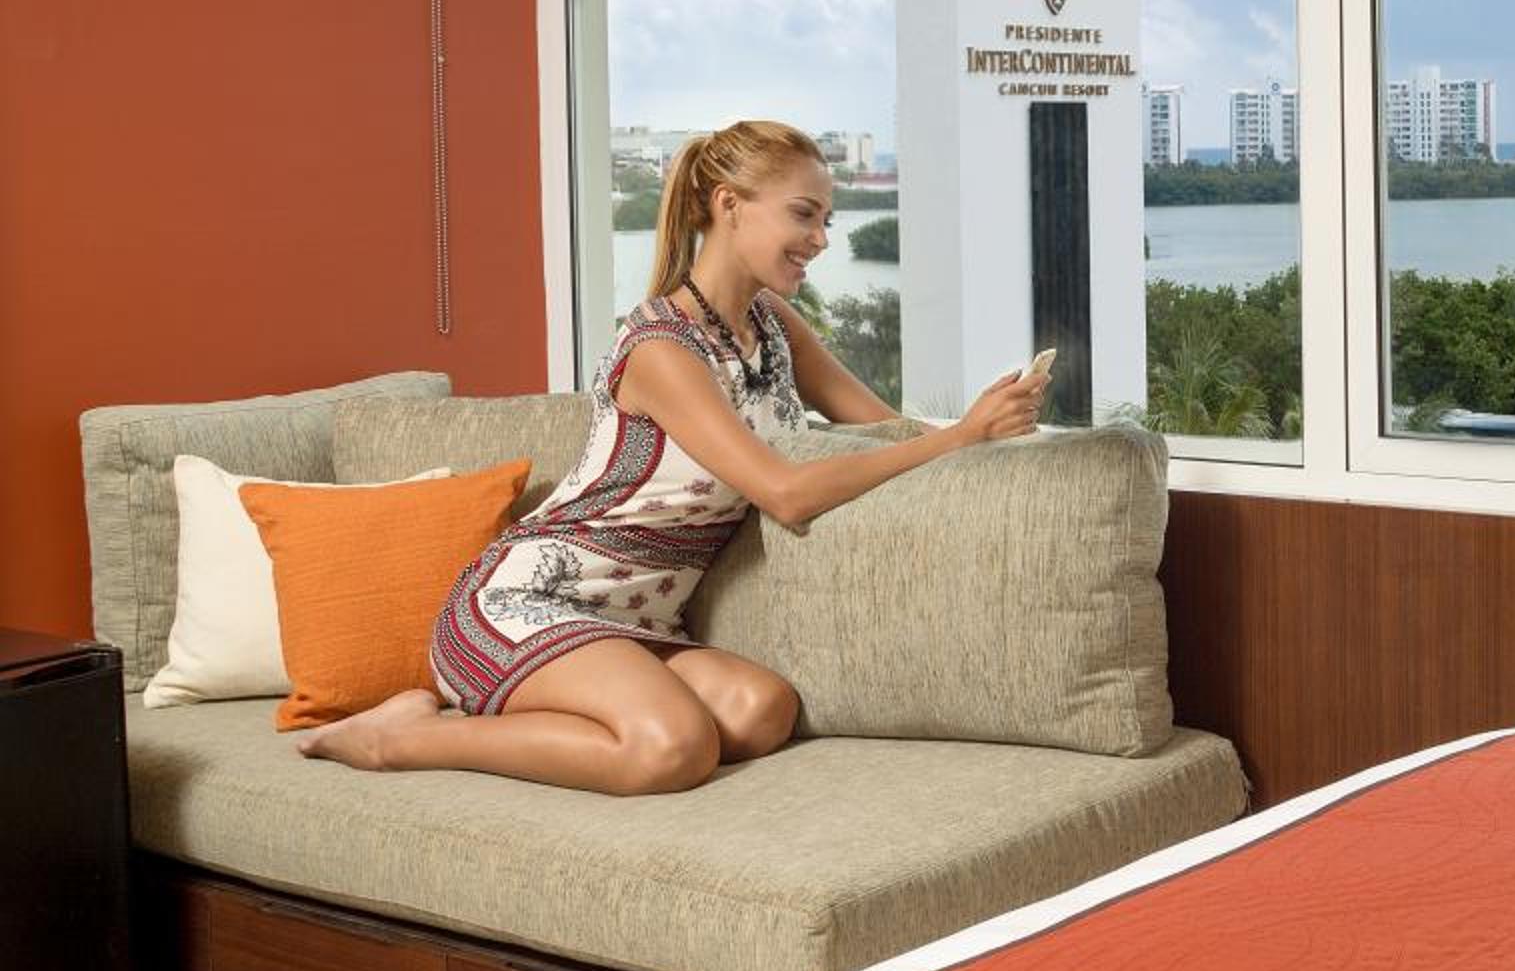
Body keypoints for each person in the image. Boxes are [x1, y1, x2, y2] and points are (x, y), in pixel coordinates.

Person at [292, 120, 1047, 793]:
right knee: (671, 749)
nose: (822, 238)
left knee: (761, 711)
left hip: (633, 624)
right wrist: (962, 437)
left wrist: (987, 424)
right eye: (804, 214)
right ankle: (405, 737)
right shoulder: (659, 346)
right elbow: (784, 494)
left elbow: (882, 429)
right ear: (728, 205)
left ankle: (492, 717)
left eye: (827, 218)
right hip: (528, 604)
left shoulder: (773, 325)